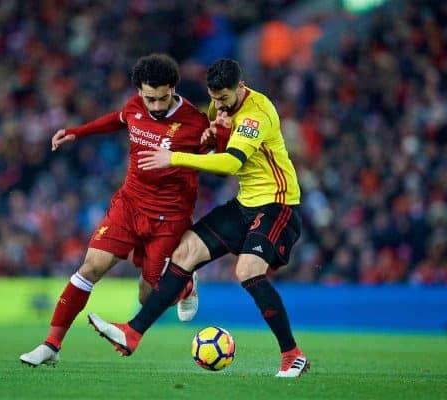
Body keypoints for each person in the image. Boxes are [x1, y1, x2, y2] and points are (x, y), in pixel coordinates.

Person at [88, 58, 310, 378]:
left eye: (225, 98)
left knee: (247, 270)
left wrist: (173, 158)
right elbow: (217, 149)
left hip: (277, 203)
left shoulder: (255, 115)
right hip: (246, 202)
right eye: (214, 97)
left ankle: (292, 355)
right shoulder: (216, 109)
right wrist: (210, 139)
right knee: (184, 251)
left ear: (240, 88)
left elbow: (231, 164)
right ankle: (132, 332)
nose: (219, 105)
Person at [19, 53, 226, 367]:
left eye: (162, 98)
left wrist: (219, 137)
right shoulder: (135, 106)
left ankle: (185, 283)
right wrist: (78, 131)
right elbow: (117, 119)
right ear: (140, 91)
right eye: (149, 98)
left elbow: (221, 163)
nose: (155, 106)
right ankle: (51, 345)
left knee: (148, 297)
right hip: (129, 206)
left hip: (168, 219)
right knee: (90, 267)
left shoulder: (195, 123)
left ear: (173, 88)